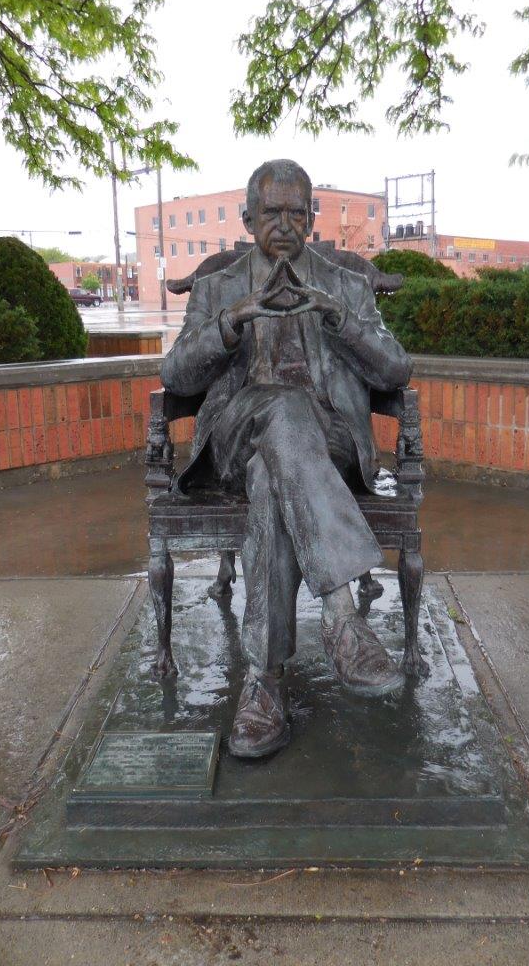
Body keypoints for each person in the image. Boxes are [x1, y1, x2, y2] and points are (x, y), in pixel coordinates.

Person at [161, 159, 412, 758]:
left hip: (325, 445)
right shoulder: (219, 287)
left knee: (275, 475)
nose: (285, 224)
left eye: (296, 212)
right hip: (235, 433)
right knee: (279, 412)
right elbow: (177, 374)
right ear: (247, 219)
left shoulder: (343, 285)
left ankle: (266, 683)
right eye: (271, 212)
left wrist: (339, 318)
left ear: (310, 217)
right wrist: (232, 321)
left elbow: (395, 368)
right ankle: (342, 617)